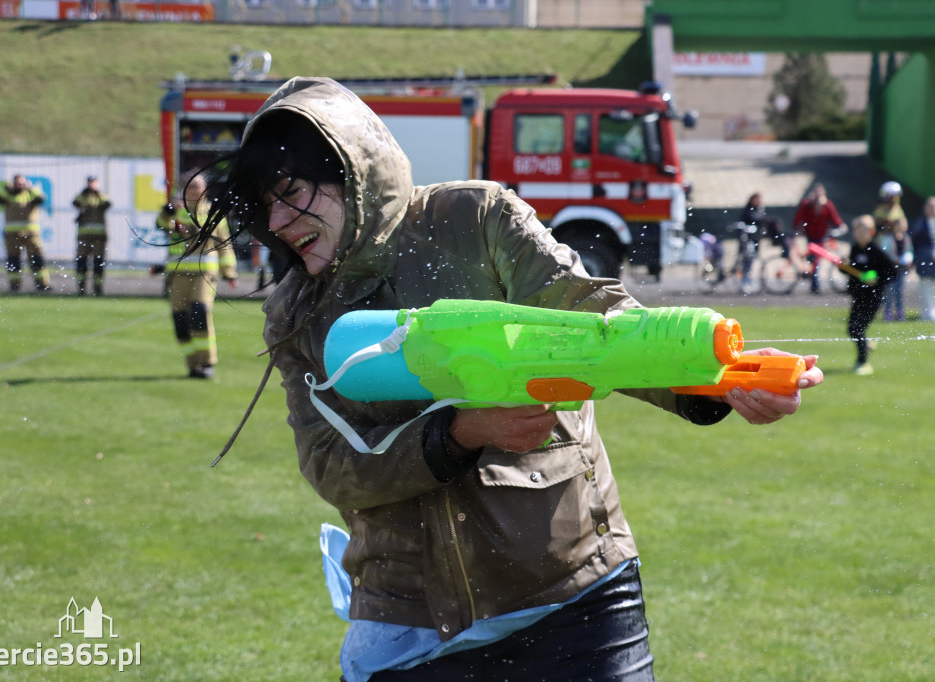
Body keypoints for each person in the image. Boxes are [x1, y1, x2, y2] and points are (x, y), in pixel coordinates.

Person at [200, 77, 823, 681]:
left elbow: (598, 326)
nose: (278, 221)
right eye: (264, 206)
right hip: (407, 624)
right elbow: (332, 465)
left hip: (575, 596)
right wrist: (458, 433)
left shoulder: (473, 219)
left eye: (292, 192)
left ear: (350, 171)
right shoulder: (294, 312)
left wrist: (712, 375)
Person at [155, 173, 238, 379]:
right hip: (177, 274)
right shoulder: (175, 213)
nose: (194, 190)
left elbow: (224, 244)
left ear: (205, 190)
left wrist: (229, 272)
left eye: (197, 186)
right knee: (180, 320)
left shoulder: (213, 213)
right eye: (189, 186)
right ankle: (192, 363)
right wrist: (168, 212)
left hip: (204, 274)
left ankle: (207, 361)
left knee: (199, 313)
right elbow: (161, 225)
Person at [846, 214, 900, 376]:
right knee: (851, 329)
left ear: (871, 232)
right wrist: (843, 266)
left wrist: (875, 278)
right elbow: (854, 271)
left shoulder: (876, 251)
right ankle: (866, 345)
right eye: (857, 230)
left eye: (864, 231)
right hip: (859, 295)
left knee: (858, 328)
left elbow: (892, 272)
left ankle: (863, 362)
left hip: (874, 297)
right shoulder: (855, 248)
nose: (860, 234)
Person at [0, 174, 52, 293]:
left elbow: (42, 198)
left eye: (22, 183)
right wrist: (7, 188)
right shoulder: (8, 194)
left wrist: (30, 188)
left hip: (31, 234)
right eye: (17, 183)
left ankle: (42, 284)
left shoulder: (30, 194)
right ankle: (14, 285)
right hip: (12, 234)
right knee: (13, 260)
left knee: (37, 259)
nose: (20, 185)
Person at [792, 183, 847, 294]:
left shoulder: (826, 205)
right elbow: (799, 217)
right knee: (814, 261)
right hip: (811, 235)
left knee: (817, 260)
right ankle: (814, 284)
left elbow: (834, 217)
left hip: (822, 236)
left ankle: (815, 284)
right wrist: (796, 228)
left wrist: (841, 226)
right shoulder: (807, 204)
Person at [909, 196, 935, 323]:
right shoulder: (921, 223)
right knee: (925, 284)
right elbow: (915, 241)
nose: (931, 209)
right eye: (929, 206)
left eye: (934, 206)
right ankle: (927, 311)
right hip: (924, 258)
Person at [72, 175, 111, 296]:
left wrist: (97, 193)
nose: (91, 185)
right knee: (81, 262)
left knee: (98, 263)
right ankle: (81, 288)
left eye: (94, 183)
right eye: (90, 183)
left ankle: (98, 287)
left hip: (99, 237)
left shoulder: (101, 195)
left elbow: (107, 203)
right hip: (84, 236)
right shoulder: (82, 195)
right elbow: (76, 202)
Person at [876, 217, 912, 321]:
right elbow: (884, 252)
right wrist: (894, 259)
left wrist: (909, 259)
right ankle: (887, 312)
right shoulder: (888, 238)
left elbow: (910, 251)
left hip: (901, 268)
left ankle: (900, 312)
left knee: (899, 291)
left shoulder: (906, 238)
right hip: (890, 268)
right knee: (889, 291)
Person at [739, 191, 789, 258]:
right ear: (753, 199)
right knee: (749, 256)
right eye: (758, 199)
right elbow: (755, 218)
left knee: (775, 223)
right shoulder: (749, 209)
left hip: (758, 232)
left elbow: (760, 218)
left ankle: (780, 242)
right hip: (751, 234)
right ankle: (779, 242)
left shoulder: (758, 209)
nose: (760, 201)